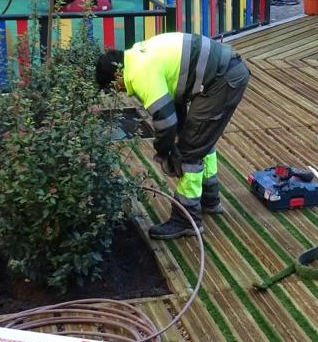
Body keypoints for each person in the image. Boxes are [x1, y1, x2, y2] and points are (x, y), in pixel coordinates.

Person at [96, 34, 250, 239]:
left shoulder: (140, 74)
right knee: (199, 138)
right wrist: (174, 142)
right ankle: (209, 200)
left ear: (117, 76)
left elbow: (165, 121)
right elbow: (175, 97)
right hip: (226, 70)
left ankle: (185, 220)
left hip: (222, 79)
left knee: (189, 151)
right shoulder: (138, 54)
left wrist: (164, 153)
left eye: (113, 88)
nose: (118, 91)